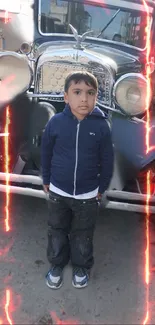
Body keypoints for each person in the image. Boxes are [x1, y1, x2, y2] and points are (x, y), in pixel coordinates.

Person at [41, 71, 114, 289]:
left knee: (83, 234)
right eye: (77, 92)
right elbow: (46, 152)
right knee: (57, 230)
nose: (84, 98)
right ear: (65, 97)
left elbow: (107, 160)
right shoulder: (55, 123)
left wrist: (101, 187)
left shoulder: (101, 126)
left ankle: (81, 266)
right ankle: (56, 264)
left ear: (96, 97)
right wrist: (46, 178)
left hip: (88, 194)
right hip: (58, 192)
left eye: (90, 93)